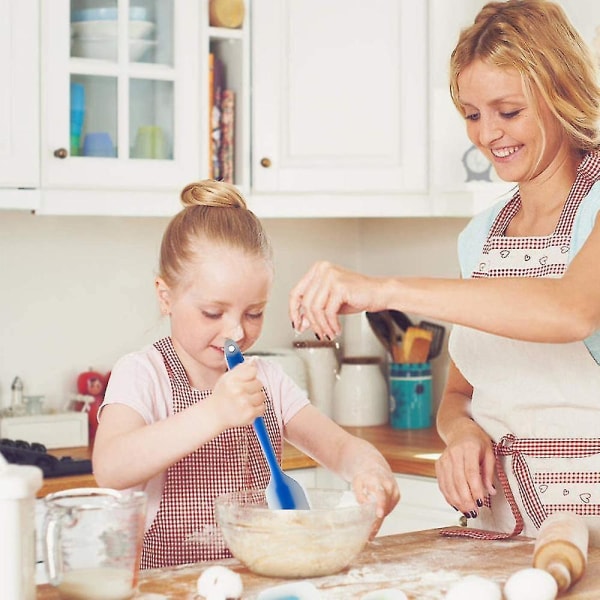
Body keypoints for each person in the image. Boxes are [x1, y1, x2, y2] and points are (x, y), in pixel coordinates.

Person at [289, 0, 600, 544]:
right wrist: (461, 436)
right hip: (504, 526)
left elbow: (570, 310)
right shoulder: (481, 238)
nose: (487, 135)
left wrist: (382, 288)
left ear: (560, 93)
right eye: (473, 115)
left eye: (508, 111)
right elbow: (459, 395)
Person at [92, 180, 399, 569]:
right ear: (165, 295)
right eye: (212, 313)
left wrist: (370, 468)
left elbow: (337, 447)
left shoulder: (267, 379)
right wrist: (214, 413)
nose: (236, 332)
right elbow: (110, 468)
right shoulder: (143, 374)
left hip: (260, 577)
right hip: (170, 584)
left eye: (254, 313)